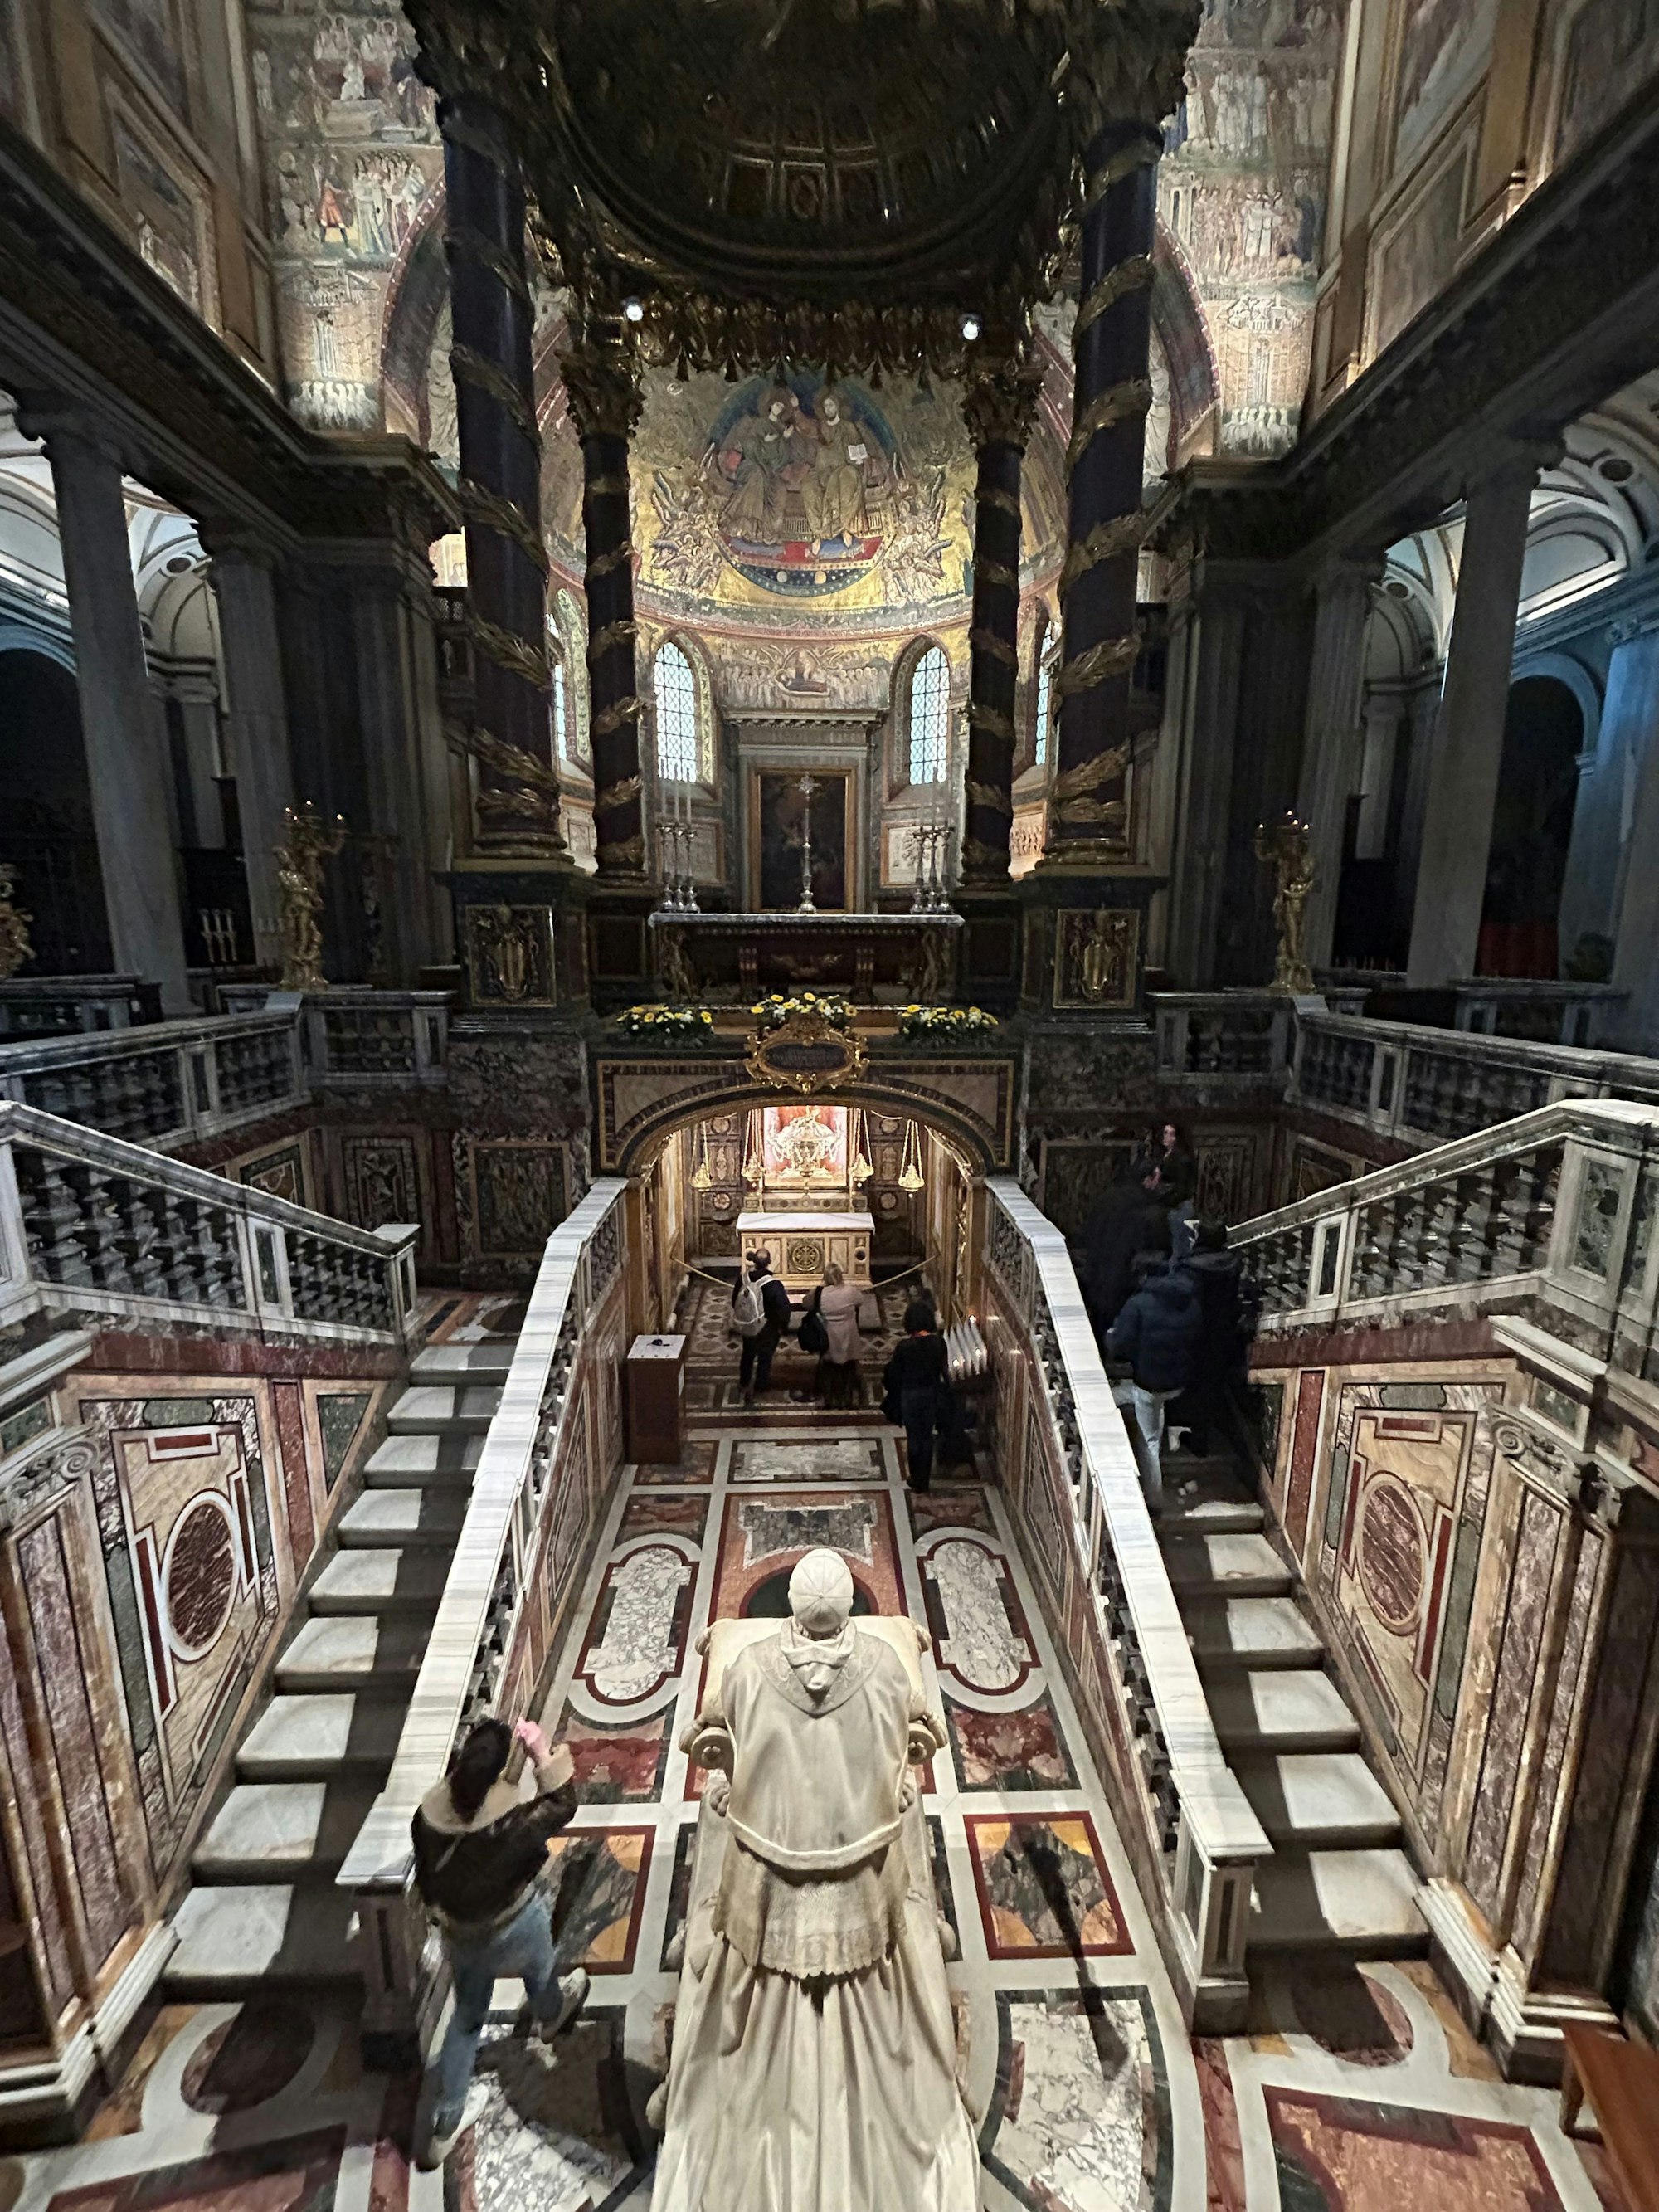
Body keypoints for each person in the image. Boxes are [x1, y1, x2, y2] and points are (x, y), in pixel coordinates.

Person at [653, 1552, 979, 2210]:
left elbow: (730, 1759)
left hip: (773, 1881)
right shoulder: (886, 1669)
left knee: (739, 2026)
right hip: (857, 1878)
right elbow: (897, 1765)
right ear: (849, 1610)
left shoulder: (748, 1669)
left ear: (792, 1611)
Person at [411, 1715, 588, 2168]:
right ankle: (550, 2015)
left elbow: (429, 1880)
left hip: (462, 1934)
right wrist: (542, 1754)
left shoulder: (428, 1815)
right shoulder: (510, 1820)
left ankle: (446, 2122)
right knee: (541, 1970)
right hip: (515, 1923)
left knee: (466, 2019)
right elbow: (564, 1803)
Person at [1104, 1255, 1204, 1508]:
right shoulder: (1191, 1301)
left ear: (1144, 1277)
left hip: (1151, 1385)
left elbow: (1121, 1344)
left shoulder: (1138, 1304)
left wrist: (1111, 1336)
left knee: (1149, 1440)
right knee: (1142, 1399)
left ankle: (1154, 1501)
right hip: (1180, 1382)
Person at [1171, 1216, 1253, 1455]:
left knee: (1187, 1384)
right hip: (1222, 1334)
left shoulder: (1189, 1267)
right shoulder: (1233, 1264)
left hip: (1192, 1333)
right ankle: (1201, 1440)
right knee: (1210, 1386)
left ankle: (1182, 1430)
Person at [1078, 1165, 1172, 1341]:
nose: (1159, 1184)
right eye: (1156, 1179)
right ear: (1147, 1179)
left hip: (1097, 1270)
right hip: (1123, 1278)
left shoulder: (1108, 1197)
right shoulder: (1147, 1211)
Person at [883, 1299, 948, 1492]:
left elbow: (894, 1373)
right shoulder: (938, 1343)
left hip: (910, 1396)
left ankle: (916, 1479)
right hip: (931, 1394)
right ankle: (925, 1480)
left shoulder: (905, 1347)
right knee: (927, 1436)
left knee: (913, 1437)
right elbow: (943, 1369)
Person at [732, 1247, 791, 1405]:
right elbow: (783, 1308)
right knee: (765, 1357)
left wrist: (744, 1317)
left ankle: (744, 1382)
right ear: (769, 1263)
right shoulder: (773, 1285)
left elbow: (734, 1301)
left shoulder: (744, 1279)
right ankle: (760, 1385)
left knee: (748, 1353)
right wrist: (781, 1326)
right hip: (767, 1327)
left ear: (754, 1262)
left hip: (749, 1324)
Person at [813, 1260, 864, 1409]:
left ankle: (828, 1398)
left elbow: (806, 1303)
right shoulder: (850, 1291)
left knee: (829, 1368)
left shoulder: (820, 1293)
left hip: (829, 1334)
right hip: (848, 1333)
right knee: (848, 1367)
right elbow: (860, 1300)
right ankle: (847, 1398)